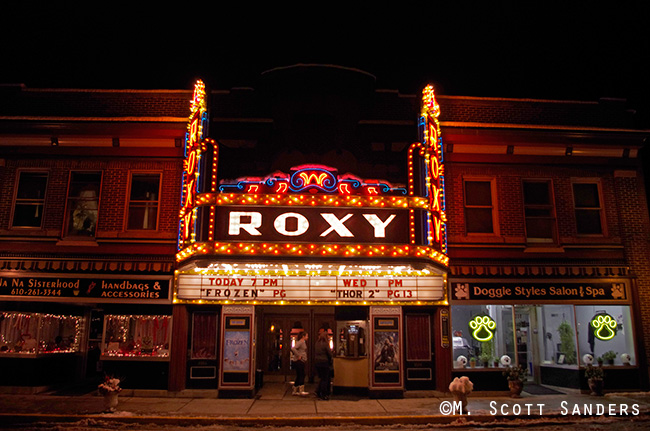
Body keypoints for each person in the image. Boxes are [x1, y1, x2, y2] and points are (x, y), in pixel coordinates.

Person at [314, 330, 333, 400]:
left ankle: (318, 391)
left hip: (317, 363)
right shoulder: (325, 344)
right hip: (324, 363)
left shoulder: (317, 343)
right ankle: (323, 393)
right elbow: (329, 353)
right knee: (325, 379)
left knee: (322, 378)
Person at [291, 331, 308, 396]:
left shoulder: (302, 342)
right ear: (303, 336)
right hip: (300, 361)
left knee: (299, 375)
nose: (307, 337)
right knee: (302, 374)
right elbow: (293, 348)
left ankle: (295, 389)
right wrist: (298, 355)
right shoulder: (301, 342)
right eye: (306, 336)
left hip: (301, 360)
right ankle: (301, 390)